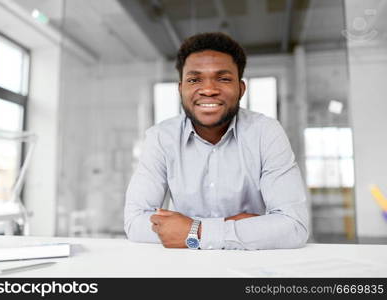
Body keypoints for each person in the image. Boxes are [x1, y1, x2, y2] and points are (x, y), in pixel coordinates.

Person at [124, 32, 309, 250]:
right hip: (187, 266)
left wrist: (194, 231)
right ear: (180, 88)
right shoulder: (161, 138)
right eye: (194, 80)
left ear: (241, 89)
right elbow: (135, 223)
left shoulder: (266, 133)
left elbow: (294, 226)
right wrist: (238, 227)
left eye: (223, 79)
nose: (209, 90)